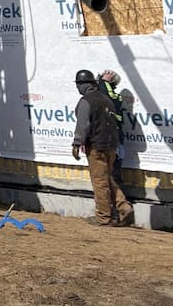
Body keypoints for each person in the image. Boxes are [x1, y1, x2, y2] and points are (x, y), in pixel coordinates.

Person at [73, 69, 133, 227]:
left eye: (78, 85)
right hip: (111, 146)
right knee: (108, 178)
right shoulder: (107, 100)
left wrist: (77, 143)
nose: (78, 88)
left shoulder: (86, 101)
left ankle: (103, 217)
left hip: (96, 146)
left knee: (99, 182)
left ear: (82, 85)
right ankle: (124, 207)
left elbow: (83, 124)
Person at [98, 69, 126, 186]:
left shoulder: (115, 97)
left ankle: (118, 199)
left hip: (114, 136)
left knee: (113, 170)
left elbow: (107, 95)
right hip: (105, 136)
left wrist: (104, 82)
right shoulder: (97, 94)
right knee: (103, 171)